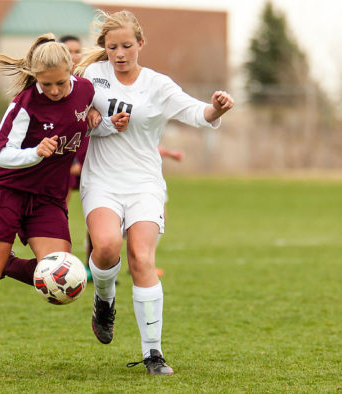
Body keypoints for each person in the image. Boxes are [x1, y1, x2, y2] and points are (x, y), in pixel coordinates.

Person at [0, 34, 126, 375]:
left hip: (48, 199)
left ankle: (6, 263)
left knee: (63, 272)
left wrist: (104, 122)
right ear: (36, 78)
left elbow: (87, 124)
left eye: (61, 82)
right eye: (46, 84)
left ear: (72, 72)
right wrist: (36, 152)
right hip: (7, 193)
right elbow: (1, 155)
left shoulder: (84, 90)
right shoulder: (23, 105)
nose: (55, 90)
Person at [74, 10, 234, 375]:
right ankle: (104, 300)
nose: (119, 53)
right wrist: (88, 118)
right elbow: (71, 110)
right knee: (105, 247)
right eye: (112, 46)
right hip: (101, 180)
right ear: (105, 48)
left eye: (127, 45)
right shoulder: (91, 77)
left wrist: (216, 109)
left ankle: (153, 354)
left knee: (141, 258)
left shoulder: (157, 85)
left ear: (140, 44)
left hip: (145, 183)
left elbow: (196, 112)